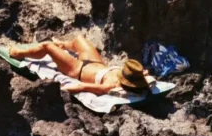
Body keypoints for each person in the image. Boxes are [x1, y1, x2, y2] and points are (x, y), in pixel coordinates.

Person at [9, 35, 152, 95]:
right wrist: (141, 73)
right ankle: (62, 45)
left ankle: (19, 53)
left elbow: (83, 87)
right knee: (79, 39)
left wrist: (66, 89)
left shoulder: (112, 85)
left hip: (77, 70)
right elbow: (145, 75)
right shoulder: (135, 74)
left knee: (47, 46)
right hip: (96, 64)